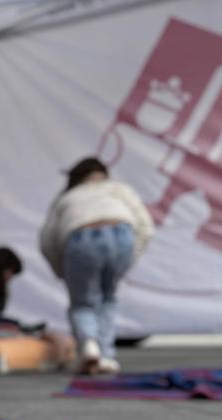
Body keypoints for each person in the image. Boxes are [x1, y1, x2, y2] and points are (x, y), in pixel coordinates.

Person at [40, 157, 153, 374]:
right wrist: (129, 258)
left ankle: (89, 345)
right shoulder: (120, 190)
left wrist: (61, 270)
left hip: (81, 238)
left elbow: (47, 240)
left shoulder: (68, 197)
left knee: (82, 303)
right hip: (121, 234)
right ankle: (106, 355)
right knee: (108, 298)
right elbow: (145, 226)